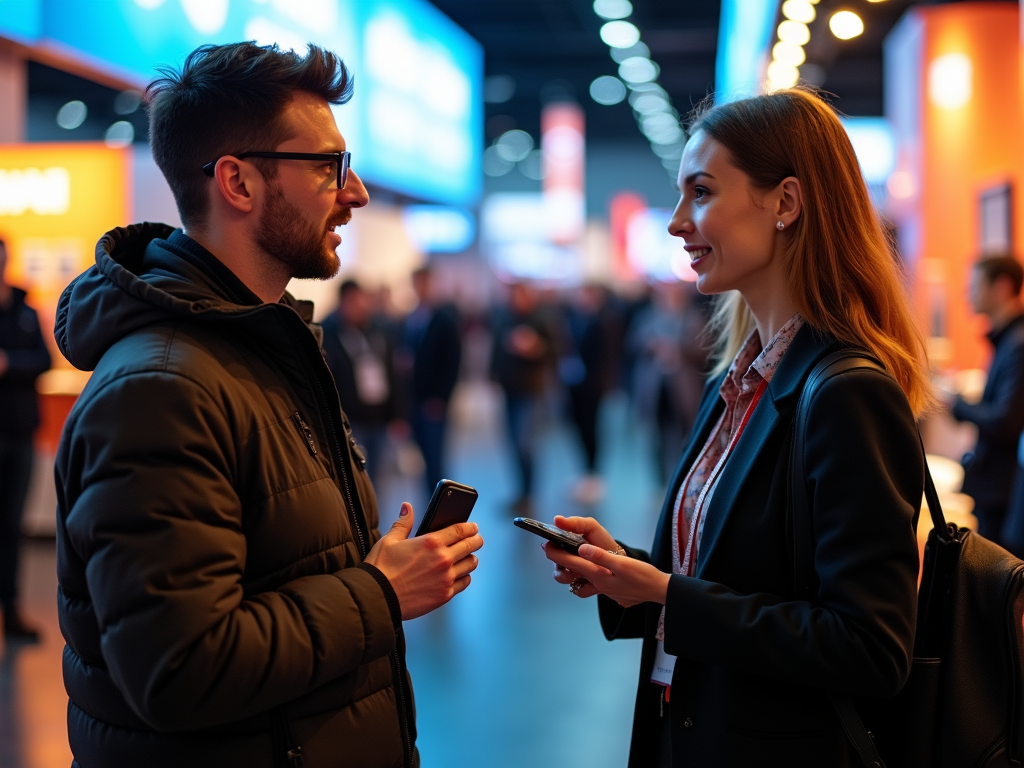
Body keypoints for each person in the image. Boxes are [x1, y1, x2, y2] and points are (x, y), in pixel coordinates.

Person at [53, 42, 483, 768]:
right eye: (329, 168)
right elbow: (179, 670)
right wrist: (378, 593)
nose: (357, 194)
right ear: (239, 182)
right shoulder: (162, 391)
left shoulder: (264, 353)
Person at [539, 88, 930, 767]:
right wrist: (630, 573)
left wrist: (667, 593)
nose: (677, 222)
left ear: (785, 203)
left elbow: (869, 648)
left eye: (702, 192)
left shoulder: (844, 392)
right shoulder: (738, 382)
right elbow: (744, 579)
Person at [947, 255, 1024, 543]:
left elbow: (1006, 420)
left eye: (975, 286)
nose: (967, 294)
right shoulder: (1007, 339)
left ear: (1002, 287)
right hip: (996, 483)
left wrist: (958, 405)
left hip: (1003, 488)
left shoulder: (1018, 343)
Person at [0, 237, 51, 642]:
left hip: (19, 433)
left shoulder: (25, 310)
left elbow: (44, 360)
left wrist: (8, 364)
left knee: (12, 526)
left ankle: (11, 609)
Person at [321, 278, 399, 487]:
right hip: (351, 419)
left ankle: (374, 517)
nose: (361, 306)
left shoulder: (378, 330)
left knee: (378, 478)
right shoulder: (328, 334)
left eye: (362, 300)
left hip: (379, 416)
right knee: (355, 478)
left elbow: (392, 372)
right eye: (354, 301)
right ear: (343, 302)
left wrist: (397, 413)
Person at [395, 265, 462, 496]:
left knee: (435, 458)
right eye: (417, 283)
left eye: (424, 283)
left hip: (433, 400)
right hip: (415, 396)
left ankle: (440, 505)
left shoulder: (444, 320)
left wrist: (441, 397)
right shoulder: (412, 317)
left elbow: (452, 362)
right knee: (422, 455)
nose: (420, 288)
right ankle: (430, 501)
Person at [491, 282, 555, 513]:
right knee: (512, 444)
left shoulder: (541, 319)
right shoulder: (505, 318)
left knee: (523, 442)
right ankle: (520, 492)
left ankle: (529, 494)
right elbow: (497, 349)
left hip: (530, 391)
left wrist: (535, 347)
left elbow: (554, 351)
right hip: (510, 389)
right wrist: (493, 375)